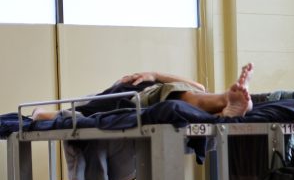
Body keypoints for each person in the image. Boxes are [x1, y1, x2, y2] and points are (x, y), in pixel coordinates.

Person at [32, 63, 254, 120]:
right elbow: (198, 87)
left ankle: (226, 102)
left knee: (193, 93)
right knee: (188, 94)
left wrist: (153, 74)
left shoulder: (99, 102)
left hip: (154, 91)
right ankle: (225, 101)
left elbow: (199, 86)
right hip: (153, 95)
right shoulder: (102, 101)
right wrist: (154, 75)